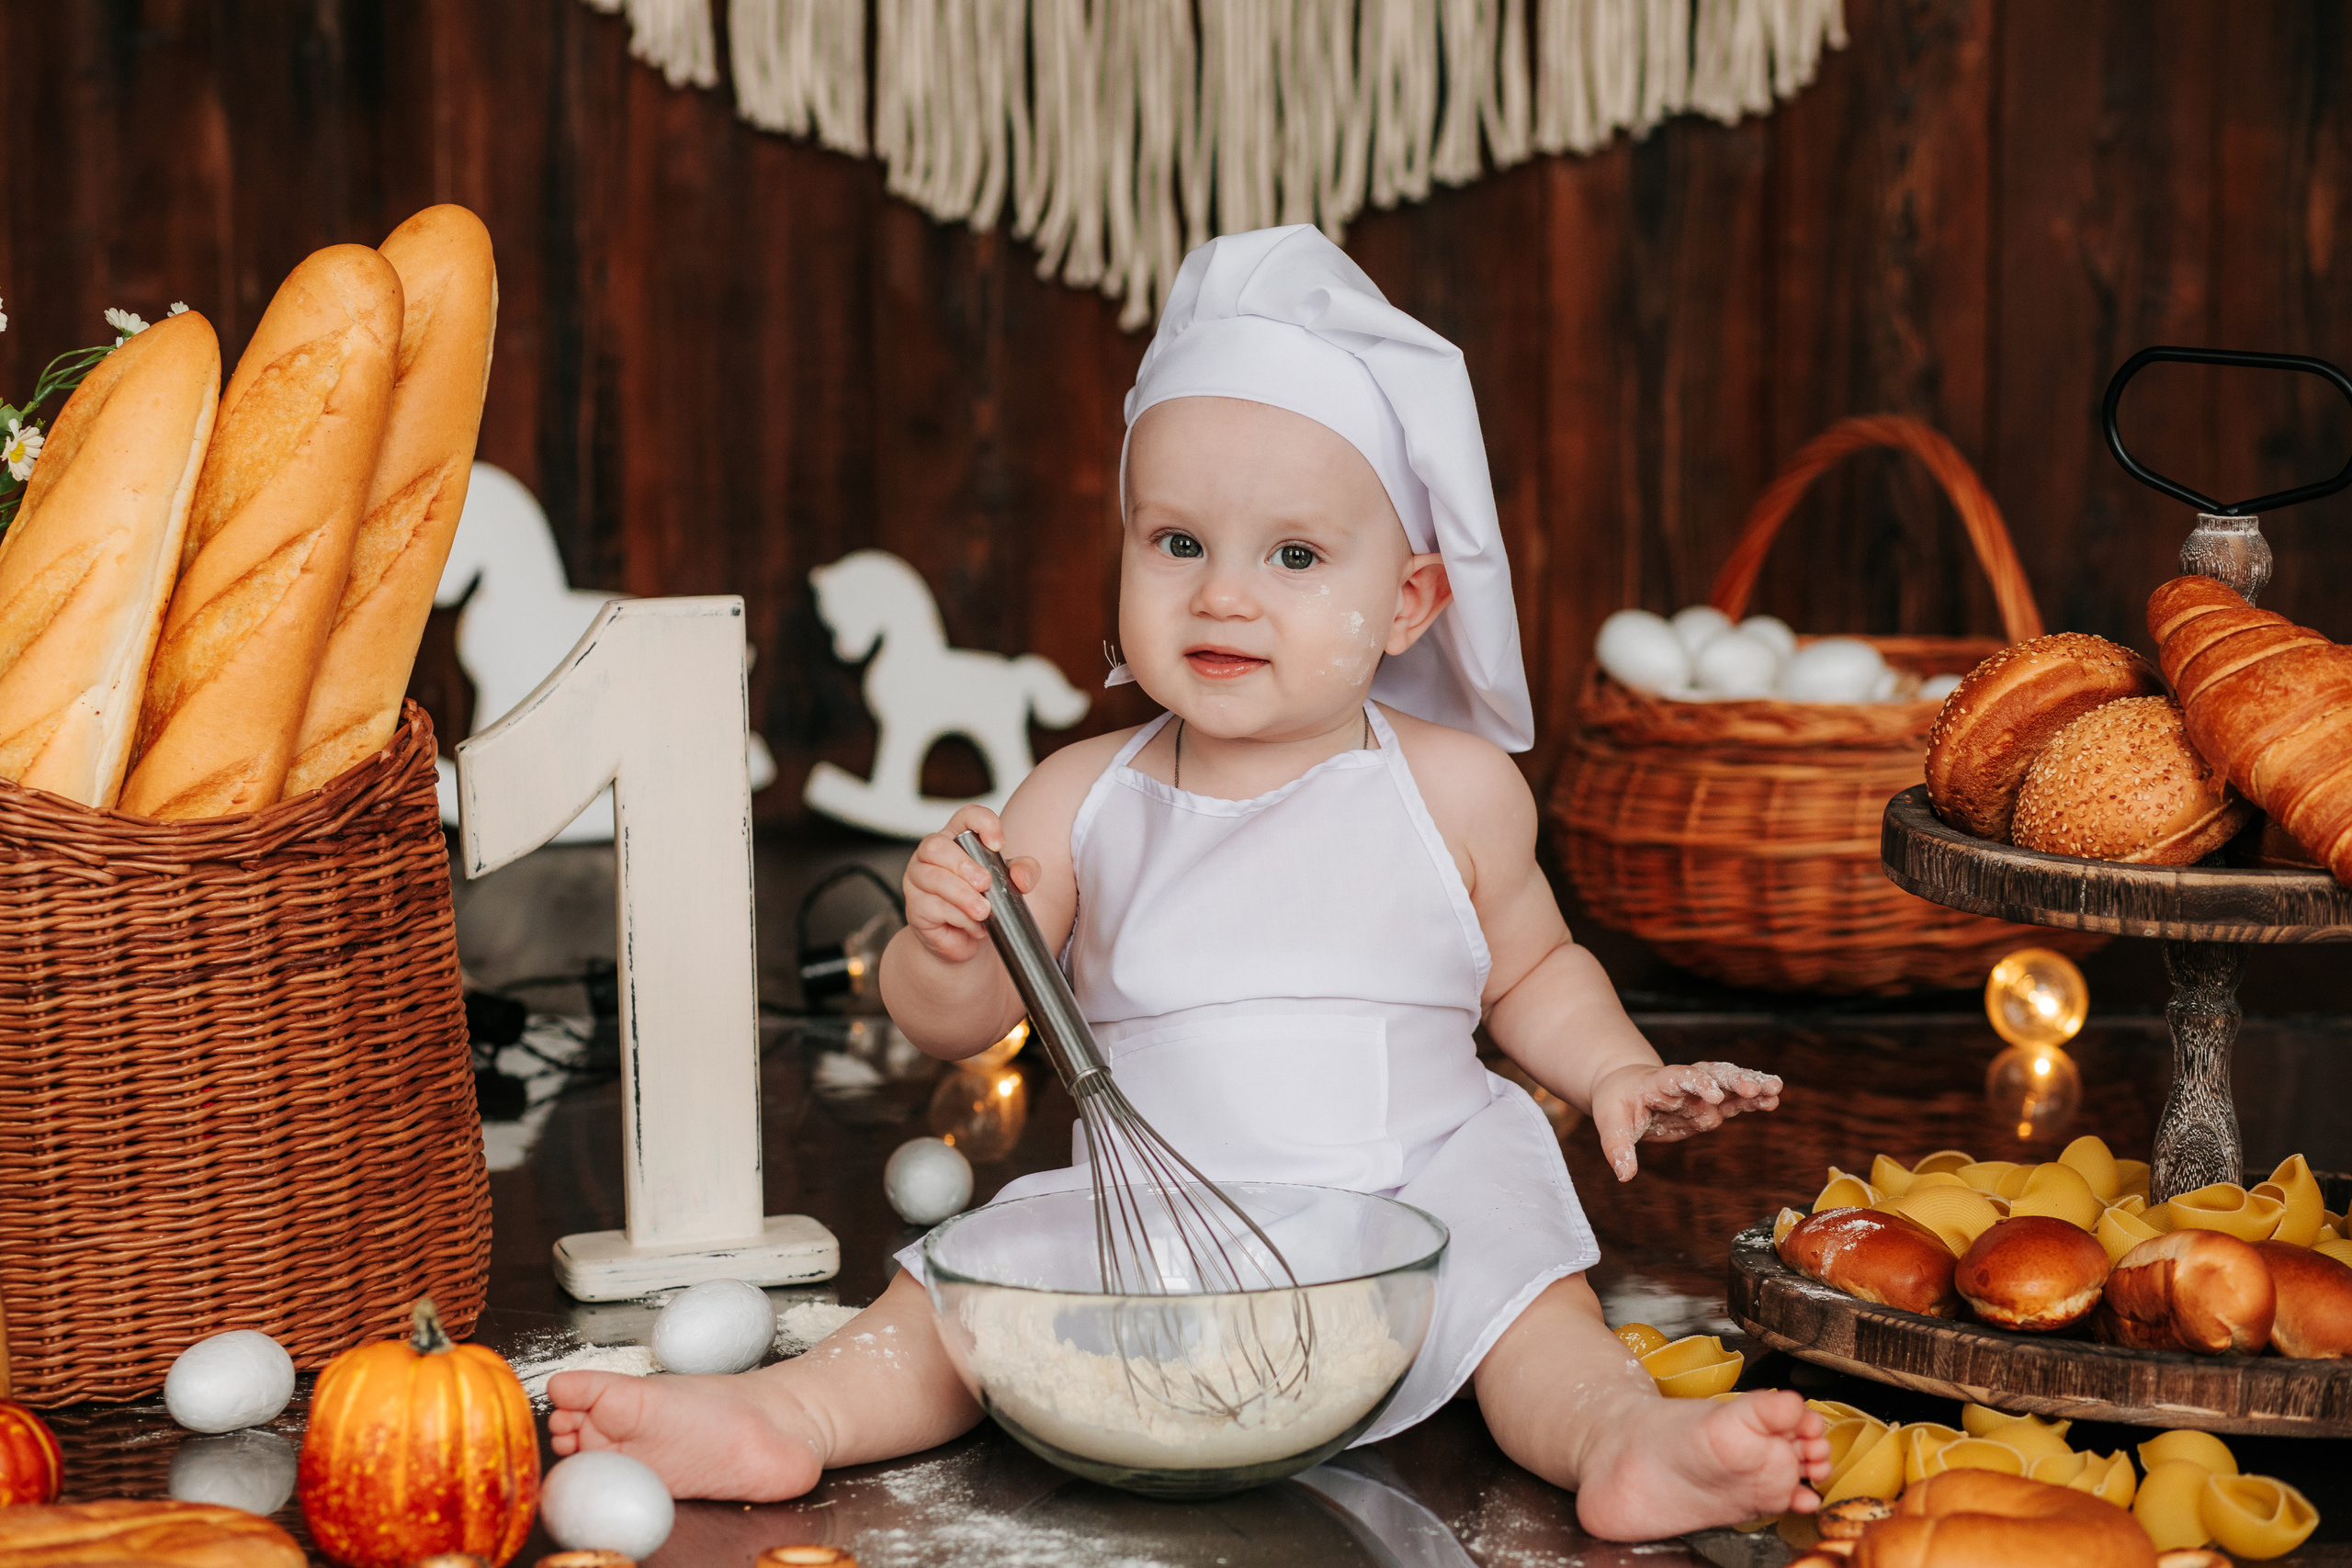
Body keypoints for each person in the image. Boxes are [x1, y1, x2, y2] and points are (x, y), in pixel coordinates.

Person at [549, 225, 1829, 1540]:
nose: (1223, 596)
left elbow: (1537, 972)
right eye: (1175, 543)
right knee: (959, 1291)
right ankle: (796, 1416)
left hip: (1417, 1190)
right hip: (1162, 1214)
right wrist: (940, 948)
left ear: (1408, 602)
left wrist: (1613, 1070)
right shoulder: (1078, 799)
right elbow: (961, 1023)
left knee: (1532, 1300)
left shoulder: (1453, 790)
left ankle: (1620, 1440)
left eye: (1293, 557)